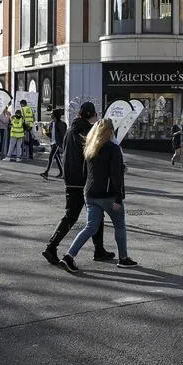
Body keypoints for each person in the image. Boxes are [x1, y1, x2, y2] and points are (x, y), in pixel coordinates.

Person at [60, 118, 138, 271]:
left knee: (90, 227)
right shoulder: (113, 149)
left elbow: (85, 172)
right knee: (119, 225)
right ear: (110, 131)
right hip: (108, 195)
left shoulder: (89, 148)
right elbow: (116, 175)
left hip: (90, 193)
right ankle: (123, 258)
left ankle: (69, 256)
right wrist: (118, 197)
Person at [41, 102, 113, 265]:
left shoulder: (70, 130)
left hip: (70, 179)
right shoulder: (88, 131)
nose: (96, 118)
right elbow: (94, 154)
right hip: (84, 180)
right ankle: (97, 250)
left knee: (72, 215)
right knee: (95, 215)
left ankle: (52, 246)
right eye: (95, 115)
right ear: (90, 115)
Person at [39, 108, 67, 180]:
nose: (50, 115)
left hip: (57, 143)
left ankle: (46, 172)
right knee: (57, 158)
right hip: (52, 142)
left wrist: (62, 144)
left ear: (55, 115)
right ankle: (62, 173)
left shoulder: (61, 124)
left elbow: (63, 135)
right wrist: (45, 129)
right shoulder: (51, 123)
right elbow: (50, 135)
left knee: (51, 156)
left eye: (52, 114)